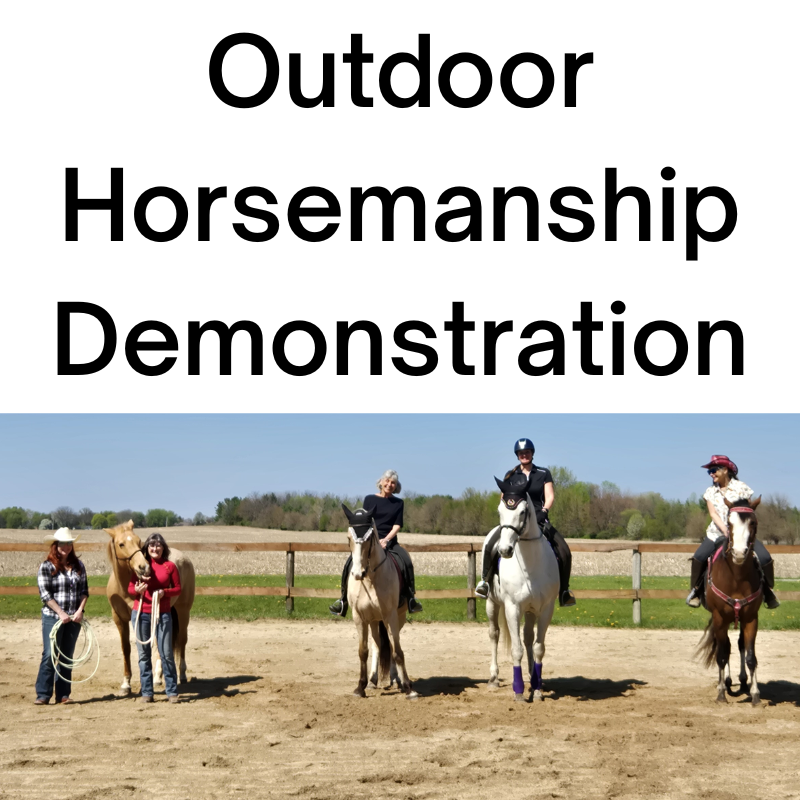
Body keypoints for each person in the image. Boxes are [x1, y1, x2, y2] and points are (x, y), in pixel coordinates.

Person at [475, 438, 576, 607]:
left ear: (532, 453)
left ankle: (564, 591)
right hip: (515, 521)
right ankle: (485, 582)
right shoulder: (511, 476)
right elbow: (504, 499)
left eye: (527, 452)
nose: (524, 455)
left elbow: (549, 496)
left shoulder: (543, 473)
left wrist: (544, 511)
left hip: (539, 519)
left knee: (564, 550)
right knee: (491, 544)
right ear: (517, 456)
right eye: (521, 453)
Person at [686, 455, 779, 609]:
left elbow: (748, 510)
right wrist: (724, 529)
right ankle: (695, 591)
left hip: (743, 535)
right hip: (716, 534)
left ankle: (768, 592)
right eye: (709, 471)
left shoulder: (742, 487)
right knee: (699, 557)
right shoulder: (710, 492)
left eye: (714, 470)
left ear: (725, 470)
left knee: (764, 557)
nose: (711, 473)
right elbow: (713, 514)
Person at [329, 470, 423, 617]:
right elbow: (366, 522)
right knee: (349, 563)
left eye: (393, 483)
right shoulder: (369, 500)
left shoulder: (398, 503)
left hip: (390, 542)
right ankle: (342, 601)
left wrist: (386, 540)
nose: (389, 484)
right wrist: (372, 540)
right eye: (387, 481)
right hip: (370, 541)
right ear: (380, 482)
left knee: (406, 561)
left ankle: (411, 598)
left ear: (396, 486)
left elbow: (397, 525)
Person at [35, 528, 89, 705]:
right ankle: (43, 694)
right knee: (50, 654)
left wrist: (80, 610)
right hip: (53, 616)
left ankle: (63, 694)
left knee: (67, 656)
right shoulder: (47, 567)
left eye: (69, 543)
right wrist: (60, 612)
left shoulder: (79, 566)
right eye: (62, 543)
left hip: (74, 619)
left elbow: (84, 591)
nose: (66, 546)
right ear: (55, 546)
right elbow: (45, 595)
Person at [128, 533, 182, 703]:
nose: (155, 548)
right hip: (141, 613)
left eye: (158, 545)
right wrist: (137, 590)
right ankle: (147, 691)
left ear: (163, 548)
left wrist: (164, 592)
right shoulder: (140, 565)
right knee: (143, 655)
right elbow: (130, 589)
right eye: (152, 545)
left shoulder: (170, 567)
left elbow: (178, 589)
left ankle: (171, 690)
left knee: (166, 653)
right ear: (147, 548)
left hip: (163, 614)